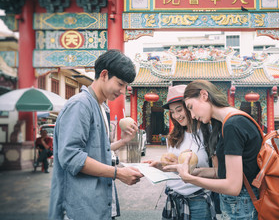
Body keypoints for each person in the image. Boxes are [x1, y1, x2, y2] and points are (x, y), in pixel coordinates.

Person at [49, 50, 144, 220]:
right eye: (120, 84)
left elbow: (97, 151)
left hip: (97, 205)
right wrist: (118, 173)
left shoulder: (101, 107)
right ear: (104, 75)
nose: (123, 91)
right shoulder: (81, 105)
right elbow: (71, 157)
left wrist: (123, 141)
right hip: (80, 207)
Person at [164, 80, 262, 219]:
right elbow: (222, 172)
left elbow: (233, 187)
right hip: (240, 204)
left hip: (241, 206)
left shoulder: (232, 125)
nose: (191, 115)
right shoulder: (230, 122)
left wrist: (190, 179)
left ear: (204, 95)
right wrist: (195, 171)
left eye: (190, 107)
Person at [145, 85, 217, 220]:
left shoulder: (208, 134)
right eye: (172, 112)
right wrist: (159, 165)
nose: (176, 116)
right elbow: (173, 169)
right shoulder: (174, 136)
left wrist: (184, 166)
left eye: (179, 110)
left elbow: (218, 172)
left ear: (190, 106)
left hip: (198, 200)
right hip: (173, 198)